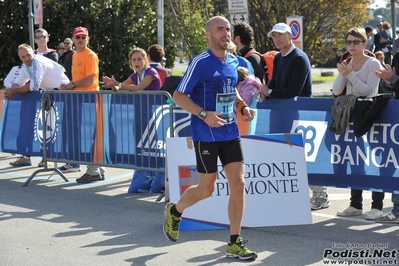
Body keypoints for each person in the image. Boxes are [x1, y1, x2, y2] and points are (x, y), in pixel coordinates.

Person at [164, 16, 258, 261]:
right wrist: (204, 115)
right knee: (206, 189)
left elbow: (230, 87)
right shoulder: (200, 62)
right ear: (208, 34)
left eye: (227, 29)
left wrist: (242, 106)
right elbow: (178, 95)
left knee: (239, 184)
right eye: (219, 30)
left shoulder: (233, 60)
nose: (225, 34)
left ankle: (234, 242)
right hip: (206, 134)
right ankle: (175, 210)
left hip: (230, 132)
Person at [258, 22, 328, 210]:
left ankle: (320, 194)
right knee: (282, 153)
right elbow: (275, 82)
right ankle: (290, 196)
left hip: (299, 114)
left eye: (280, 35)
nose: (277, 39)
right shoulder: (280, 58)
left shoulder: (299, 58)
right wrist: (266, 90)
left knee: (302, 154)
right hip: (282, 113)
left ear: (290, 36)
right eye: (274, 36)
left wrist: (270, 91)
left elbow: (294, 90)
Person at [333, 27, 384, 220]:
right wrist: (344, 73)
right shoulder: (347, 62)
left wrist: (350, 75)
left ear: (365, 43)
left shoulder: (373, 63)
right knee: (356, 159)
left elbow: (369, 92)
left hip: (372, 116)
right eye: (349, 42)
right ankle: (355, 204)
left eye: (356, 42)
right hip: (352, 116)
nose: (352, 46)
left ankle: (377, 206)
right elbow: (337, 89)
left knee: (375, 160)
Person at [4, 44, 69, 167]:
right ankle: (44, 155)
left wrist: (13, 92)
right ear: (20, 58)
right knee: (46, 126)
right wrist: (11, 91)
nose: (27, 58)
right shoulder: (25, 66)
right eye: (23, 57)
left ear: (33, 53)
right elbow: (18, 82)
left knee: (58, 128)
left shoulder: (38, 62)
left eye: (28, 55)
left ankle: (59, 159)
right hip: (50, 94)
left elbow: (33, 86)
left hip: (63, 94)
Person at [58, 26, 105, 184]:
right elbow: (77, 80)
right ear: (73, 39)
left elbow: (91, 80)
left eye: (83, 37)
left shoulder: (90, 55)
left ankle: (94, 171)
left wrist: (71, 85)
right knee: (89, 135)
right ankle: (98, 170)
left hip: (90, 99)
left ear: (88, 39)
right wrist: (70, 85)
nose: (80, 40)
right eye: (78, 37)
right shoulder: (75, 55)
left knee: (91, 136)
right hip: (81, 99)